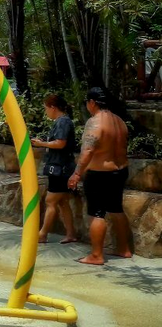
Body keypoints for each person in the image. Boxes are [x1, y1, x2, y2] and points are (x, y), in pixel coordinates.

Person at [68, 87, 132, 265]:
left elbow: (88, 150)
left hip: (100, 173)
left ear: (92, 102)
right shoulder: (119, 121)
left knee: (97, 212)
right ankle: (124, 249)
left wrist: (76, 173)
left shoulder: (95, 122)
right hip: (120, 170)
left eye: (87, 102)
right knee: (116, 208)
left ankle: (96, 255)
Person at [32, 94, 78, 244]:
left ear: (53, 107)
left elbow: (60, 143)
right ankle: (70, 233)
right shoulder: (62, 121)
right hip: (61, 165)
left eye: (46, 108)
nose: (46, 112)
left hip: (60, 166)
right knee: (62, 201)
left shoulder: (63, 122)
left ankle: (43, 233)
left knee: (51, 200)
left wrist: (41, 144)